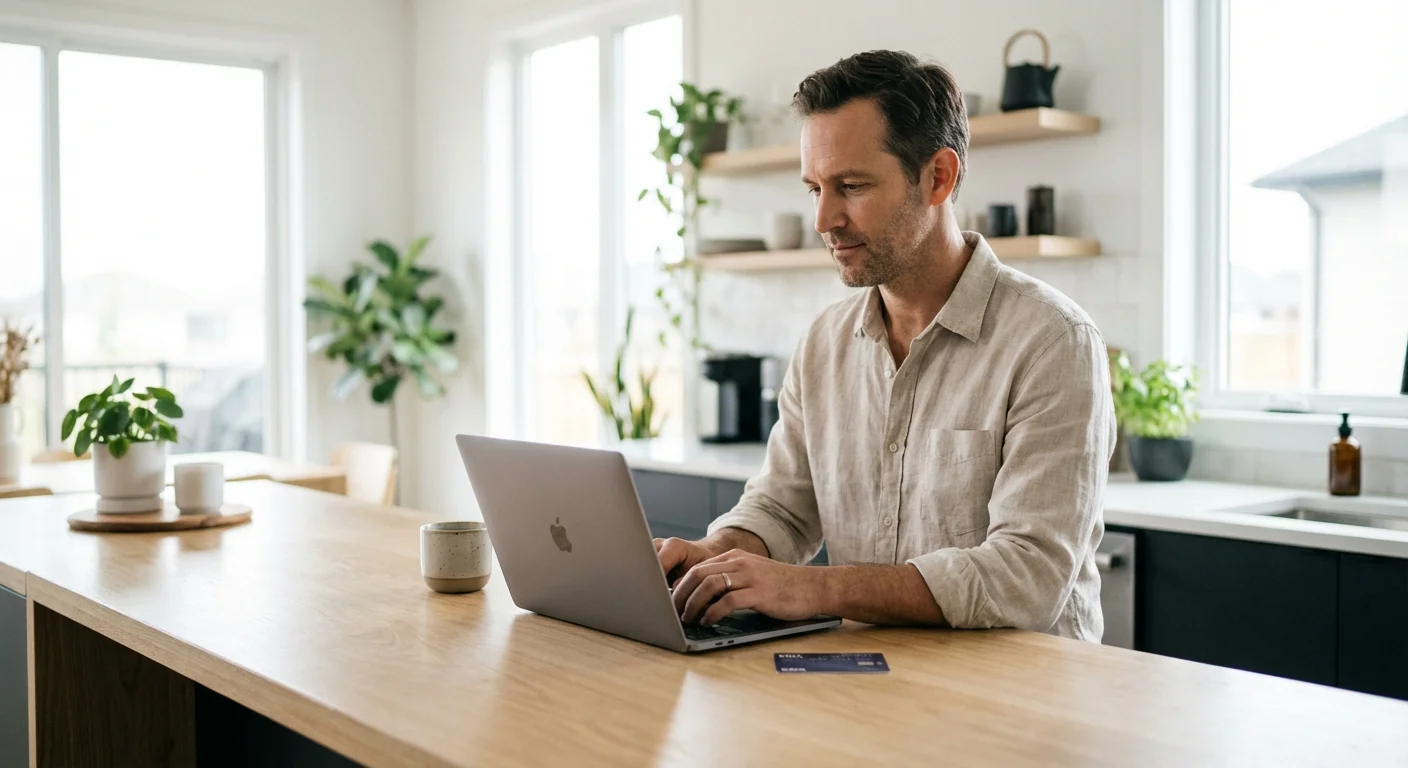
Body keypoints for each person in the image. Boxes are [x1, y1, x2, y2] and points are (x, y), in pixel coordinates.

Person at [655, 50, 1116, 641]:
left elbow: (1025, 576)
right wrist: (714, 559)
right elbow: (781, 507)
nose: (825, 218)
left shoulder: (1053, 342)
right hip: (876, 682)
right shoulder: (824, 342)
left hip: (1022, 702)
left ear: (938, 177)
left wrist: (811, 588)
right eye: (814, 188)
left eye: (851, 186)